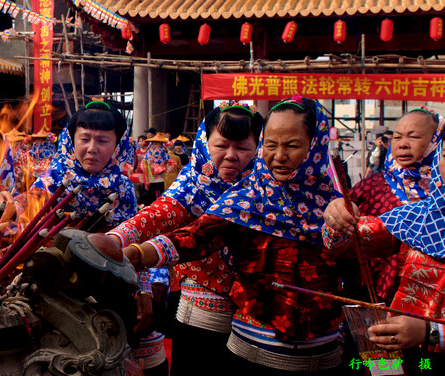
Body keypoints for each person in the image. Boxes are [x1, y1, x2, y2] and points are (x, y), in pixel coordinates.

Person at [124, 96, 344, 374]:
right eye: (271, 145)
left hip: (323, 350)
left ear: (315, 146)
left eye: (292, 145)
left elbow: (359, 257)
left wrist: (346, 224)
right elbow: (196, 235)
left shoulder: (336, 200)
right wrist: (135, 251)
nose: (278, 156)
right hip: (249, 346)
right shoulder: (248, 195)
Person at [104, 102, 262, 376]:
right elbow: (158, 214)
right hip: (202, 310)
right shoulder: (192, 182)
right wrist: (116, 239)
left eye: (243, 148)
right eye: (221, 145)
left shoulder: (268, 185)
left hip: (260, 318)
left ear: (259, 148)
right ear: (205, 143)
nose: (231, 156)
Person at [324, 108, 443, 302]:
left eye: (414, 137)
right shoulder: (371, 187)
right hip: (377, 300)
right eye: (397, 137)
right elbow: (345, 241)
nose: (403, 145)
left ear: (436, 142)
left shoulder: (440, 195)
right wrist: (336, 217)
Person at [28, 100, 137, 228]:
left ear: (118, 146)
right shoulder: (52, 180)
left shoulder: (124, 188)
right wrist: (12, 204)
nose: (92, 148)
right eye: (84, 139)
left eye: (102, 141)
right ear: (71, 140)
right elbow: (29, 205)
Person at [138, 133, 178, 206]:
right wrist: (146, 168)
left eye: (155, 143)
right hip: (148, 180)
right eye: (152, 143)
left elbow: (174, 163)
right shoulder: (148, 153)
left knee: (157, 200)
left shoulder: (163, 153)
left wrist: (166, 171)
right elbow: (142, 164)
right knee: (146, 200)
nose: (153, 145)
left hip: (159, 180)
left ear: (159, 144)